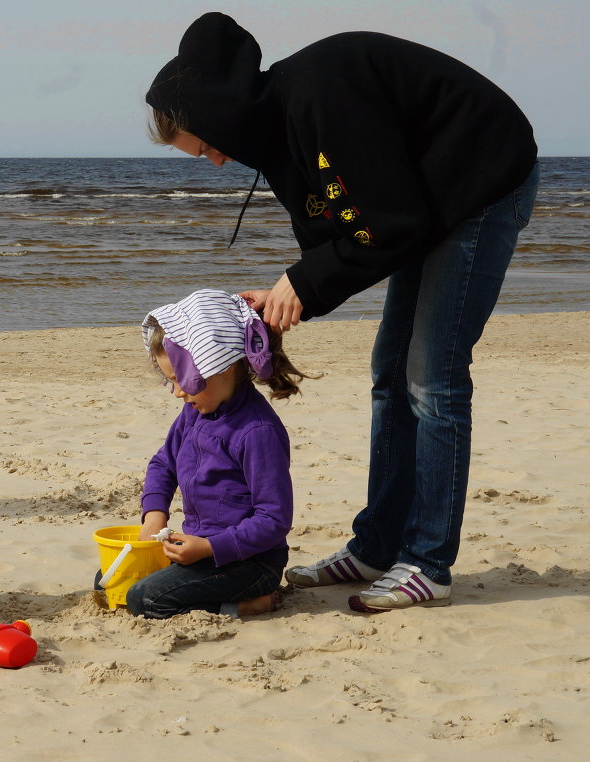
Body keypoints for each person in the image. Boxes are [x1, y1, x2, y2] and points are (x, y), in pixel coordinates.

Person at [145, 13, 540, 612]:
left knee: (431, 378)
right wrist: (286, 293)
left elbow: (390, 223)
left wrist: (302, 283)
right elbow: (340, 238)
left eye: (204, 148)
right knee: (389, 372)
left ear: (218, 116)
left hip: (480, 179)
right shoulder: (275, 138)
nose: (217, 163)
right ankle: (377, 547)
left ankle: (428, 562)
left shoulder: (321, 98)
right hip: (423, 203)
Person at [126, 289, 310, 619]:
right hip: (199, 549)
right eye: (171, 380)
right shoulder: (194, 413)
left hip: (248, 563)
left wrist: (211, 548)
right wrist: (155, 513)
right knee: (109, 580)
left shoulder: (256, 432)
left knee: (145, 599)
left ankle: (246, 605)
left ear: (221, 367)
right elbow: (163, 464)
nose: (177, 392)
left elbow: (274, 519)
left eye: (183, 379)